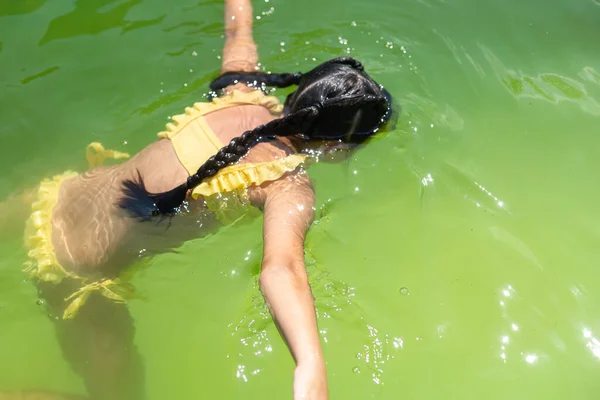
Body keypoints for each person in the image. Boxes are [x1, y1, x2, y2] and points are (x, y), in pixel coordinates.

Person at [14, 0, 393, 398]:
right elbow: (281, 269)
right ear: (337, 146)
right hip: (75, 267)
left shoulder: (241, 93)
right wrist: (310, 362)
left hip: (52, 197)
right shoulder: (286, 183)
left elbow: (237, 31)